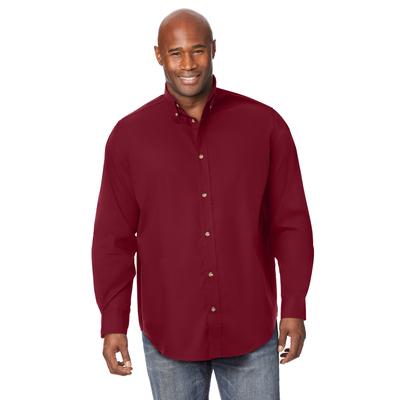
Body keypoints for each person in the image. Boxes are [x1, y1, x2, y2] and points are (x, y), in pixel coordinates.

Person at [91, 7, 314, 400]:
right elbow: (114, 239)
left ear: (213, 49)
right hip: (169, 333)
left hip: (251, 329)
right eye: (176, 53)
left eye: (197, 50)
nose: (188, 64)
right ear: (158, 55)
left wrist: (294, 305)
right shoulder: (129, 137)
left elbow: (290, 223)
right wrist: (113, 322)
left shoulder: (264, 125)